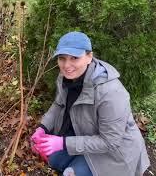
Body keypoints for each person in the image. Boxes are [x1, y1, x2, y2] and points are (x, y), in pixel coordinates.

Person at [30, 31, 150, 176]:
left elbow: (110, 142)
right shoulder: (65, 77)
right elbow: (58, 104)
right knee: (55, 161)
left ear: (89, 57)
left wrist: (63, 143)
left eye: (74, 58)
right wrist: (43, 127)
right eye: (62, 58)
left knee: (71, 173)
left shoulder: (111, 92)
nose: (67, 65)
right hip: (85, 134)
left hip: (116, 152)